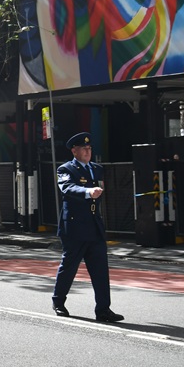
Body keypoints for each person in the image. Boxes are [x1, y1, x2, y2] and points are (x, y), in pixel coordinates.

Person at [52, 132, 124, 323]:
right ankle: (58, 302)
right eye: (84, 148)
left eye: (89, 148)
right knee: (69, 267)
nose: (87, 151)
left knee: (100, 270)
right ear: (74, 151)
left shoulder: (97, 169)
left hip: (94, 225)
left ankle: (103, 309)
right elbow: (67, 188)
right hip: (74, 227)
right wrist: (87, 192)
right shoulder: (66, 169)